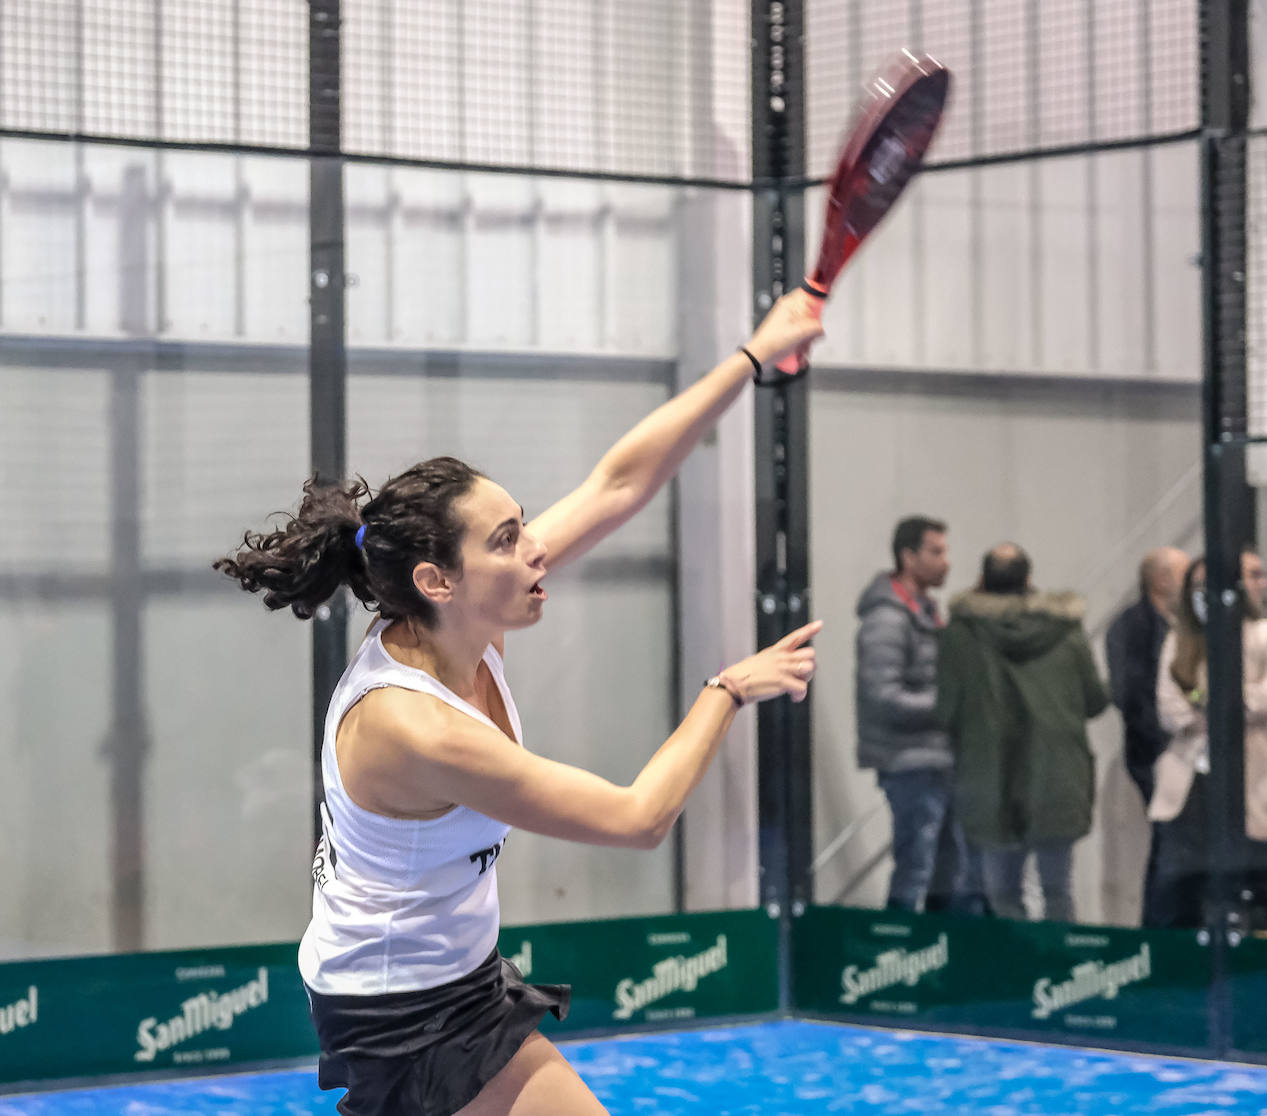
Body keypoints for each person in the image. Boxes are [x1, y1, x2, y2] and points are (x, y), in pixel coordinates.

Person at [214, 291, 824, 1116]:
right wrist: (727, 689)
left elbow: (619, 483)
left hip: (456, 977)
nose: (535, 547)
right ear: (438, 581)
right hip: (399, 1010)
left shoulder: (468, 616)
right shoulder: (413, 727)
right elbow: (639, 818)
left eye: (524, 523)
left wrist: (753, 356)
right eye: (505, 539)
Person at [935, 544, 1109, 922]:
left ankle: (1018, 973)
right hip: (1058, 773)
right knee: (1057, 890)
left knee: (1003, 894)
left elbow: (945, 709)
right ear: (1029, 580)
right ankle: (1060, 974)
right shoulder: (1065, 629)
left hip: (990, 777)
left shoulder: (962, 634)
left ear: (981, 581)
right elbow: (1095, 700)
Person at [1151, 553, 1267, 930]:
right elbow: (1171, 709)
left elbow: (1264, 700)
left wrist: (1205, 701)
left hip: (1257, 786)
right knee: (1182, 895)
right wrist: (1212, 704)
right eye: (1198, 587)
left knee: (1258, 895)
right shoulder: (1180, 639)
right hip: (1193, 787)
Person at [854, 517, 979, 913]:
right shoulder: (887, 618)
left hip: (935, 758)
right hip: (910, 763)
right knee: (916, 869)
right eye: (936, 552)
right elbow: (882, 695)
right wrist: (949, 705)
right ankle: (899, 956)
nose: (946, 562)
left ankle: (941, 963)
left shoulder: (924, 610)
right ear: (908, 557)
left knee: (950, 871)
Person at [1105, 547, 1189, 924]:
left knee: (1179, 840)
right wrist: (1164, 735)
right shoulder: (1130, 627)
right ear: (1162, 580)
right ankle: (1159, 925)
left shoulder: (1186, 625)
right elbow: (1130, 695)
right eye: (1186, 575)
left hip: (1186, 748)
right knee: (1169, 838)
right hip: (1154, 750)